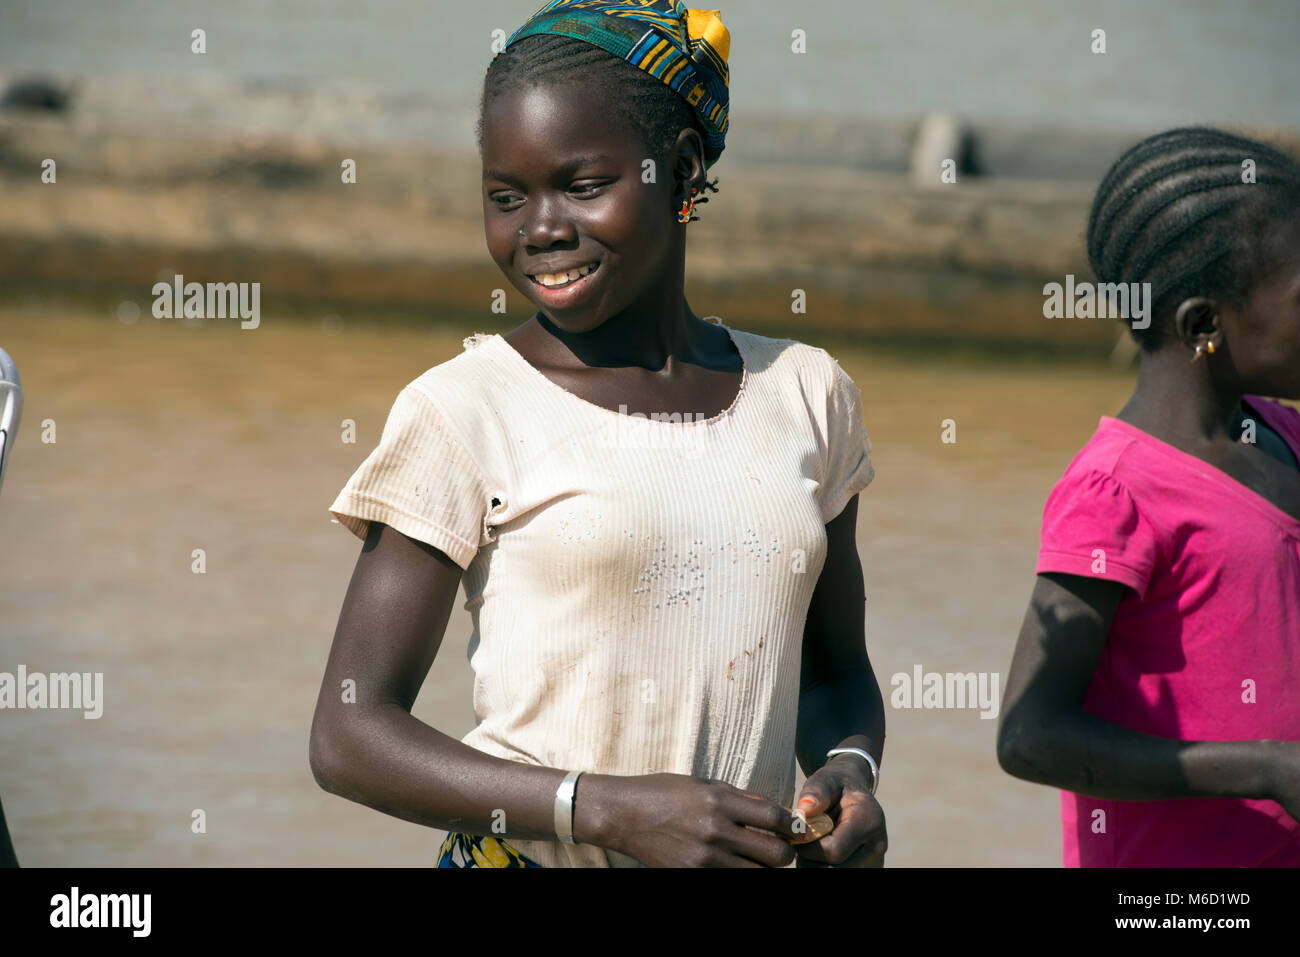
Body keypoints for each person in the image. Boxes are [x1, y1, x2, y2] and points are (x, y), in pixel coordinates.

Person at [310, 0, 887, 868]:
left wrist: (848, 769)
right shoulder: (463, 410)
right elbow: (350, 731)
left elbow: (835, 667)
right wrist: (598, 811)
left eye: (583, 186)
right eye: (507, 197)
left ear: (683, 173)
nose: (540, 228)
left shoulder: (805, 394)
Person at [997, 127, 1300, 867]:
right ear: (1204, 326)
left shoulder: (1283, 434)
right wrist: (1263, 767)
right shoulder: (1117, 493)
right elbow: (1030, 734)